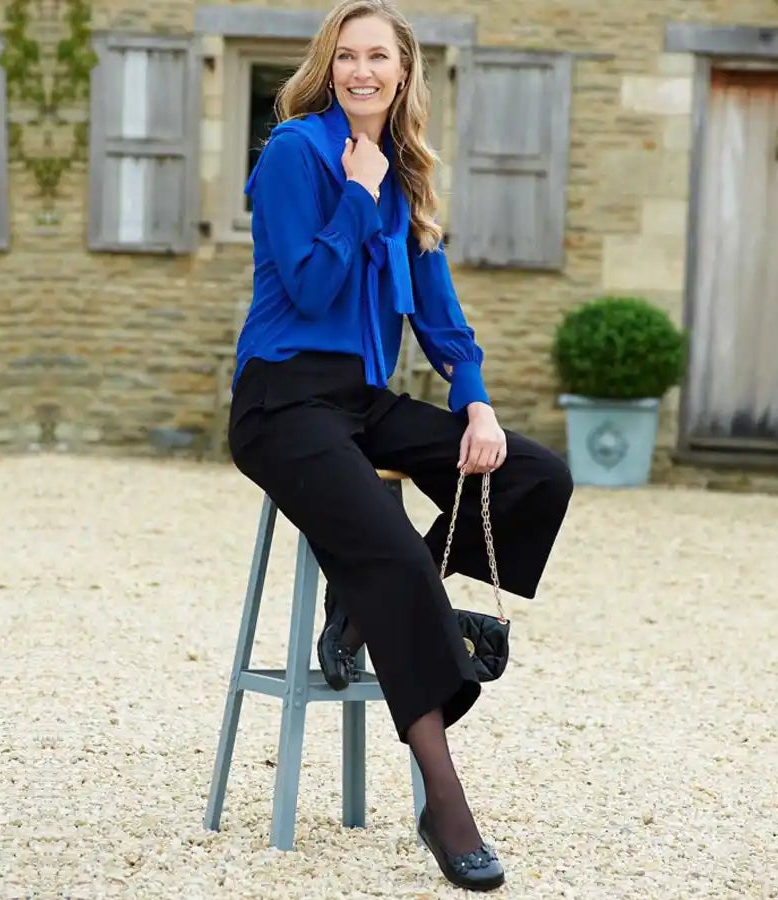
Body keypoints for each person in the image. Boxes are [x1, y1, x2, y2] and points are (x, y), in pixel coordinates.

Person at [226, 0, 574, 890]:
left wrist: (478, 404)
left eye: (378, 55)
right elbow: (306, 288)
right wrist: (356, 190)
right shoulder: (296, 155)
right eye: (346, 56)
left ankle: (360, 615)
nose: (361, 70)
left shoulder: (410, 176)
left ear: (404, 70)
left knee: (535, 475)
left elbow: (440, 313)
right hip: (280, 400)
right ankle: (445, 802)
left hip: (362, 397)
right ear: (327, 65)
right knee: (389, 558)